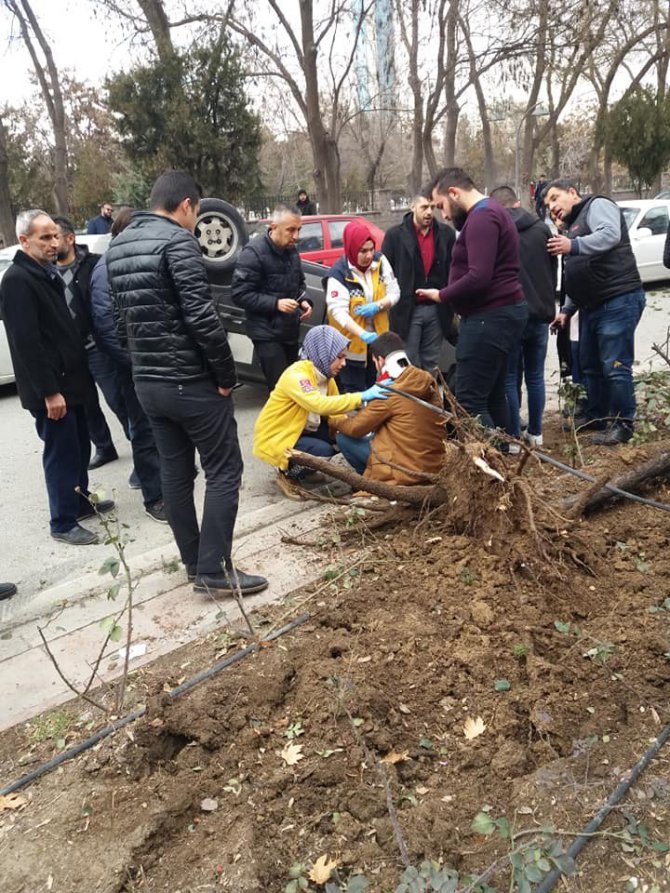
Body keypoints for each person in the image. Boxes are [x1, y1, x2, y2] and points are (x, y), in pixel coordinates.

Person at [106, 170, 267, 595]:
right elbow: (202, 318)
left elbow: (120, 323)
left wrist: (142, 367)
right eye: (196, 212)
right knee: (224, 469)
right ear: (186, 205)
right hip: (190, 383)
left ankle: (195, 564)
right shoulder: (178, 242)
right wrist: (226, 376)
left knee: (175, 475)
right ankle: (215, 570)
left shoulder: (118, 246)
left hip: (148, 384)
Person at [0, 210, 114, 545]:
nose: (54, 243)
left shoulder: (43, 273)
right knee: (61, 453)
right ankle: (62, 522)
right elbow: (27, 344)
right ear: (24, 241)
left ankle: (79, 502)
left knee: (79, 447)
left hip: (72, 383)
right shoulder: (18, 281)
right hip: (53, 390)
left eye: (55, 236)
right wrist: (50, 392)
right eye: (45, 238)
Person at [416, 167, 528, 434]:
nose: (442, 215)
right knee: (491, 395)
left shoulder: (482, 218)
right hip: (500, 315)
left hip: (488, 320)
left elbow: (479, 276)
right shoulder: (491, 212)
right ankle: (506, 459)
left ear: (453, 193)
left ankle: (491, 464)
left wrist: (442, 294)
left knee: (469, 401)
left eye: (441, 205)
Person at [544, 179, 645, 445]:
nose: (552, 207)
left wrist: (572, 245)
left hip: (618, 298)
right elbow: (576, 274)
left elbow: (610, 235)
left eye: (555, 198)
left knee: (614, 365)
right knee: (589, 364)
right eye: (547, 205)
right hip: (592, 305)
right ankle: (597, 416)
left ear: (573, 192)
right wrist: (566, 310)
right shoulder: (573, 227)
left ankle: (623, 424)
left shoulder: (597, 205)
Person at [89, 208, 166, 523]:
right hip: (132, 368)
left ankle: (166, 480)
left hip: (149, 362)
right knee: (144, 431)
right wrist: (138, 362)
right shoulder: (106, 270)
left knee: (157, 426)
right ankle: (155, 498)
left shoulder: (129, 261)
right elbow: (107, 328)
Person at [252, 325, 389, 500]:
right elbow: (319, 405)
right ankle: (287, 474)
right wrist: (361, 396)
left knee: (340, 440)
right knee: (322, 451)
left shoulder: (326, 377)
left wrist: (355, 429)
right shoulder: (297, 375)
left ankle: (305, 468)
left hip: (303, 429)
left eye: (344, 357)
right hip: (280, 435)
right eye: (339, 357)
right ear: (324, 354)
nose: (344, 363)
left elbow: (336, 414)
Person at [53, 216, 124, 470]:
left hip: (97, 346)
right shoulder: (48, 274)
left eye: (55, 236)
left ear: (70, 238)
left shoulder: (93, 265)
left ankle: (141, 445)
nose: (52, 243)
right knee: (86, 405)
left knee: (117, 398)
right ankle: (104, 447)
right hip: (70, 353)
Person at [490, 185, 557, 448]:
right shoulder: (542, 229)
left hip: (511, 315)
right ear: (518, 203)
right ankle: (537, 433)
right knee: (535, 376)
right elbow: (552, 271)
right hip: (540, 314)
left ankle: (514, 436)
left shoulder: (497, 233)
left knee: (509, 378)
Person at [333, 332, 446, 485]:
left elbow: (356, 428)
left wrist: (335, 421)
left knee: (344, 437)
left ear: (380, 360)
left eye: (374, 361)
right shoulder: (426, 380)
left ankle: (372, 485)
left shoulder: (389, 391)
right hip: (433, 466)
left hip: (403, 472)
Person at [231, 204, 313, 391]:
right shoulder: (253, 253)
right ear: (274, 227)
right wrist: (276, 304)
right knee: (281, 391)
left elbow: (299, 284)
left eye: (299, 230)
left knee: (295, 388)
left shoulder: (292, 251)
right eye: (291, 230)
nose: (296, 236)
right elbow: (239, 294)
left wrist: (305, 300)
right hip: (266, 333)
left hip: (290, 331)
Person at [381, 192, 457, 371]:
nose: (429, 212)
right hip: (407, 309)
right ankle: (412, 399)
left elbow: (453, 268)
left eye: (432, 207)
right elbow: (385, 271)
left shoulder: (446, 234)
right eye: (424, 207)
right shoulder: (394, 236)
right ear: (412, 207)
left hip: (437, 309)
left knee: (431, 363)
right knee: (409, 363)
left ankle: (428, 397)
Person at [325, 220, 400, 392]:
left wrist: (379, 305)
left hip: (378, 343)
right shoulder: (338, 275)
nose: (368, 255)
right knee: (355, 393)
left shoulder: (380, 262)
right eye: (363, 251)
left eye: (371, 249)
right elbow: (338, 312)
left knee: (379, 389)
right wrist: (363, 334)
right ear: (351, 249)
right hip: (351, 349)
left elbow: (395, 292)